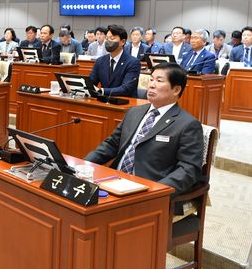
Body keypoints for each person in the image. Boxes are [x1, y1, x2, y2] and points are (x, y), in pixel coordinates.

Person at [85, 62, 204, 196]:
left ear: (176, 90)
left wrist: (157, 192)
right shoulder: (134, 112)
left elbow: (188, 169)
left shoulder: (188, 124)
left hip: (147, 189)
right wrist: (85, 164)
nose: (151, 85)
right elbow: (112, 144)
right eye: (151, 79)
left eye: (159, 81)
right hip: (114, 181)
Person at [88, 24, 140, 97]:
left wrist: (102, 91)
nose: (108, 41)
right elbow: (91, 82)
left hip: (125, 103)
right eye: (107, 38)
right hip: (103, 102)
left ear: (123, 42)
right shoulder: (100, 61)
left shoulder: (132, 62)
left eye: (112, 38)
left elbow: (126, 89)